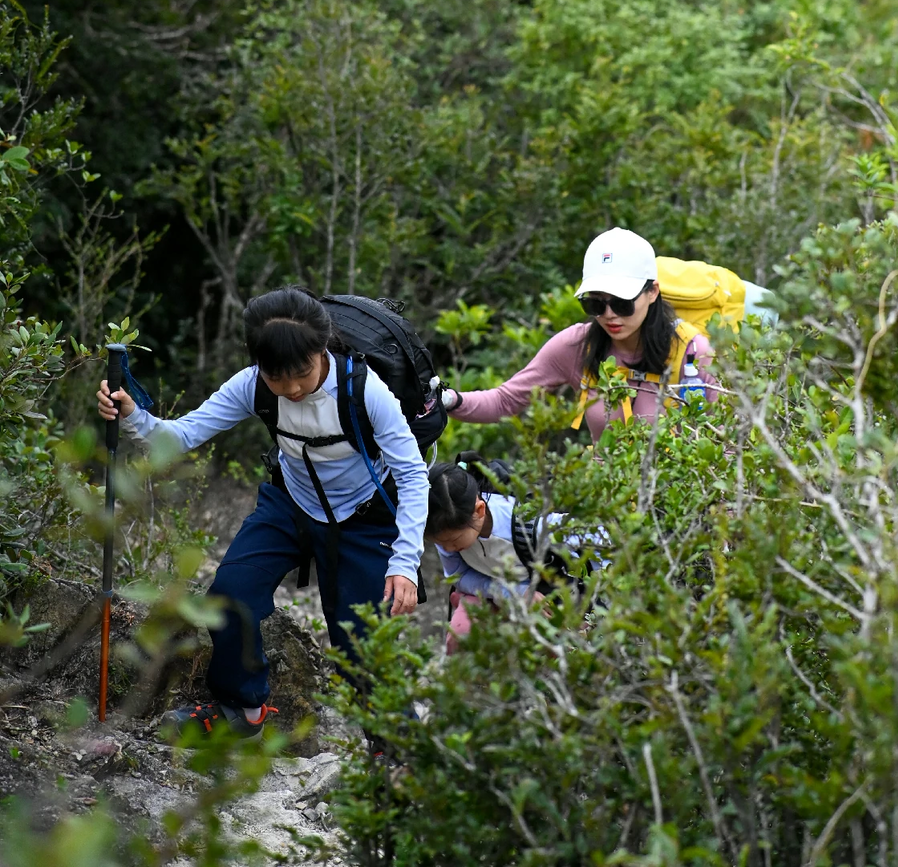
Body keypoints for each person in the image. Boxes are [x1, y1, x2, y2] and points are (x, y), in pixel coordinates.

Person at [96, 287, 429, 738]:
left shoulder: (364, 390)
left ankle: (396, 750)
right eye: (277, 377)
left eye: (302, 373)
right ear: (258, 364)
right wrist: (133, 416)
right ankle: (241, 708)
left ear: (323, 347)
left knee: (360, 642)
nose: (291, 389)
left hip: (365, 517)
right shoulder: (251, 384)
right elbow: (177, 438)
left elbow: (412, 475)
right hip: (290, 503)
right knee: (231, 592)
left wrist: (405, 561)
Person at [444, 228, 719, 444]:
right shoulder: (577, 346)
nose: (609, 315)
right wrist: (449, 400)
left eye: (622, 303)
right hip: (606, 503)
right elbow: (506, 401)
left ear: (652, 292)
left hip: (674, 508)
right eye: (596, 304)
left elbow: (728, 438)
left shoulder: (692, 352)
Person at [426, 455, 574, 651]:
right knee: (460, 635)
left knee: (554, 641)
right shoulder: (446, 532)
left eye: (453, 541)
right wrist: (511, 593)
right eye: (440, 543)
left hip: (540, 592)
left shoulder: (526, 522)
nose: (447, 549)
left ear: (479, 511)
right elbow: (459, 577)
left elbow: (581, 533)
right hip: (487, 592)